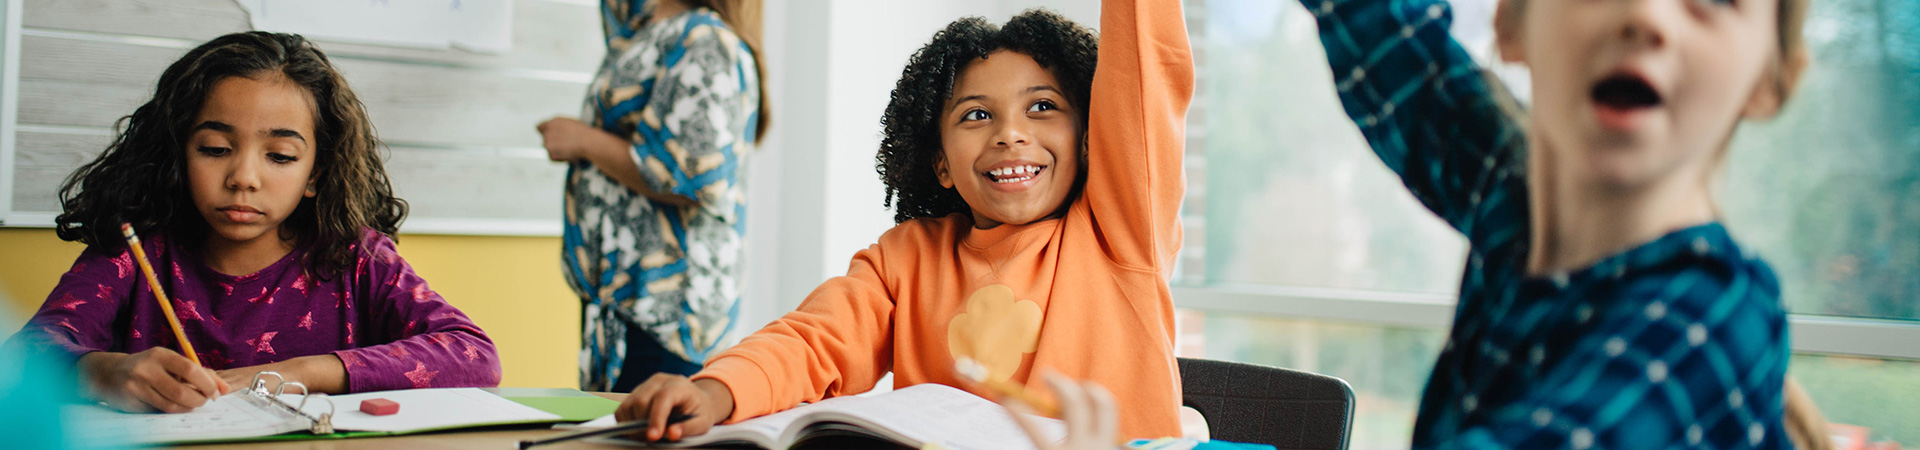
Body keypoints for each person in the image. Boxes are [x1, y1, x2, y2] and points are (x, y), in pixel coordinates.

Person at [1018, 0, 1827, 446]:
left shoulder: (1708, 319)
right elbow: (1380, 28)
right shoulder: (1516, 205)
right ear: (1511, 27)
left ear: (1773, 78)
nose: (1650, 15)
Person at [614, 0, 1196, 442]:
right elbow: (815, 341)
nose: (1010, 132)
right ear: (940, 163)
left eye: (1043, 107)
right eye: (976, 115)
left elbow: (1146, 74)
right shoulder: (905, 257)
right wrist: (715, 391)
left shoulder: (1120, 228)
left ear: (1090, 137)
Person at [5, 31, 501, 414]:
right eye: (216, 149)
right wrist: (104, 374)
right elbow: (24, 358)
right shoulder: (134, 250)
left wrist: (303, 371)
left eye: (281, 156)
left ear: (315, 174)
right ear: (178, 153)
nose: (243, 178)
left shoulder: (353, 255)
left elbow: (474, 355)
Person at [537, 0, 767, 393]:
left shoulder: (705, 39)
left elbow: (694, 174)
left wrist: (583, 140)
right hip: (622, 305)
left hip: (665, 310)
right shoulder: (646, 25)